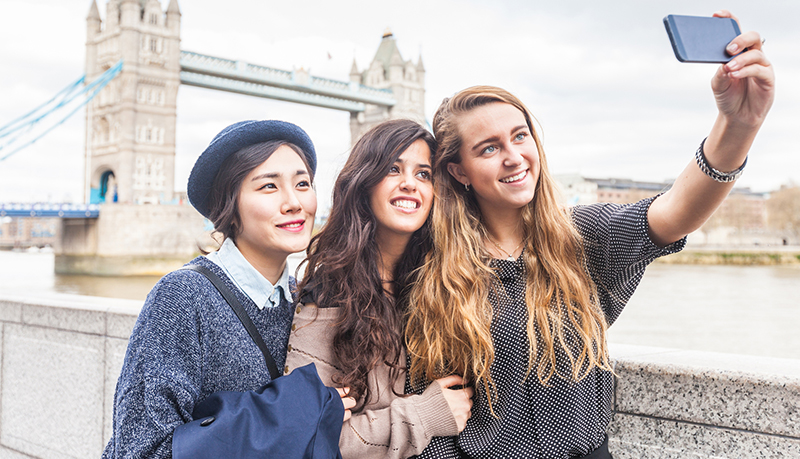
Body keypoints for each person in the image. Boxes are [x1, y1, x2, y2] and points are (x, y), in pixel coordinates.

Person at [405, 11, 774, 459]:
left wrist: (739, 124)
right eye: (489, 148)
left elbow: (676, 212)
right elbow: (427, 407)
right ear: (458, 170)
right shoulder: (431, 267)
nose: (514, 156)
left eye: (520, 137)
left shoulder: (583, 236)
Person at [102, 120, 355, 458]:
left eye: (303, 183)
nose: (294, 202)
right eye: (269, 187)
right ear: (229, 205)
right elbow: (141, 450)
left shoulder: (305, 302)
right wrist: (297, 410)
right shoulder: (183, 297)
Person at [285, 119, 474, 458]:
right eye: (392, 169)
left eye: (423, 174)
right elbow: (312, 440)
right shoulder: (327, 293)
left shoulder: (440, 284)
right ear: (364, 182)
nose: (409, 184)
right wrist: (425, 415)